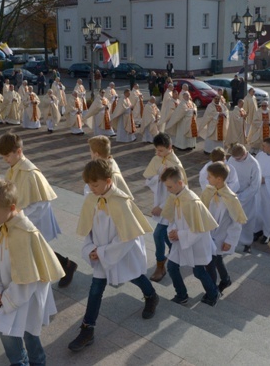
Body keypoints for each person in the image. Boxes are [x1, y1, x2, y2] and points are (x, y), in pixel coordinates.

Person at [68, 159, 158, 352]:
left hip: (122, 253)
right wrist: (90, 248)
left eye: (95, 184)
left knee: (136, 277)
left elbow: (127, 237)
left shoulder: (121, 202)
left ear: (108, 181)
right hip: (101, 253)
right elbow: (89, 229)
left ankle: (151, 295)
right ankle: (87, 329)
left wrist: (101, 252)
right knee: (95, 290)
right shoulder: (93, 199)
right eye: (89, 185)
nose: (91, 188)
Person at [0, 179, 63, 366]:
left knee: (25, 332)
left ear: (12, 207)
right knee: (16, 330)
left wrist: (8, 298)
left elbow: (29, 277)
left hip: (26, 295)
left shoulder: (26, 233)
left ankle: (32, 362)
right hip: (8, 291)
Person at [0, 133, 78, 287]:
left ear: (19, 151)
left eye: (7, 155)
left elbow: (39, 202)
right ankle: (65, 265)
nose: (5, 160)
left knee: (38, 249)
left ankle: (65, 266)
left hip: (36, 218)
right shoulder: (13, 169)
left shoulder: (31, 172)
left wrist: (19, 216)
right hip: (22, 216)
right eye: (3, 156)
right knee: (37, 249)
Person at [161, 166, 220, 306]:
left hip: (196, 243)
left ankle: (213, 293)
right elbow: (174, 219)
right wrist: (173, 231)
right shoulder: (177, 197)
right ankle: (181, 295)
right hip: (181, 241)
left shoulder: (192, 201)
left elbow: (199, 229)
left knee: (199, 272)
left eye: (169, 186)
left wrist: (179, 234)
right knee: (172, 267)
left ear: (180, 183)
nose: (168, 190)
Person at [143, 133, 186, 282]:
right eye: (156, 150)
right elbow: (149, 178)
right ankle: (177, 254)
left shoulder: (176, 165)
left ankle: (160, 265)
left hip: (171, 205)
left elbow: (177, 190)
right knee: (168, 235)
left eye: (160, 150)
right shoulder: (158, 159)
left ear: (170, 147)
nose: (157, 153)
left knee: (158, 234)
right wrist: (156, 178)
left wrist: (161, 207)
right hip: (161, 201)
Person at [200, 162, 247, 292]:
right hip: (208, 233)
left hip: (221, 236)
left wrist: (230, 241)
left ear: (219, 179)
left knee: (211, 264)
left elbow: (236, 222)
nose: (207, 178)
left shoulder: (231, 198)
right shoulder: (208, 191)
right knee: (217, 260)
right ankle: (225, 280)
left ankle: (212, 290)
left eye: (209, 176)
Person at [227, 144, 261, 253]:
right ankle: (231, 242)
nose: (236, 160)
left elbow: (255, 185)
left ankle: (247, 243)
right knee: (230, 220)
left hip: (247, 196)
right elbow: (227, 174)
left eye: (238, 158)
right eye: (235, 158)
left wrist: (242, 197)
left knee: (247, 220)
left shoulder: (253, 164)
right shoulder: (232, 159)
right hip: (233, 193)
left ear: (245, 154)